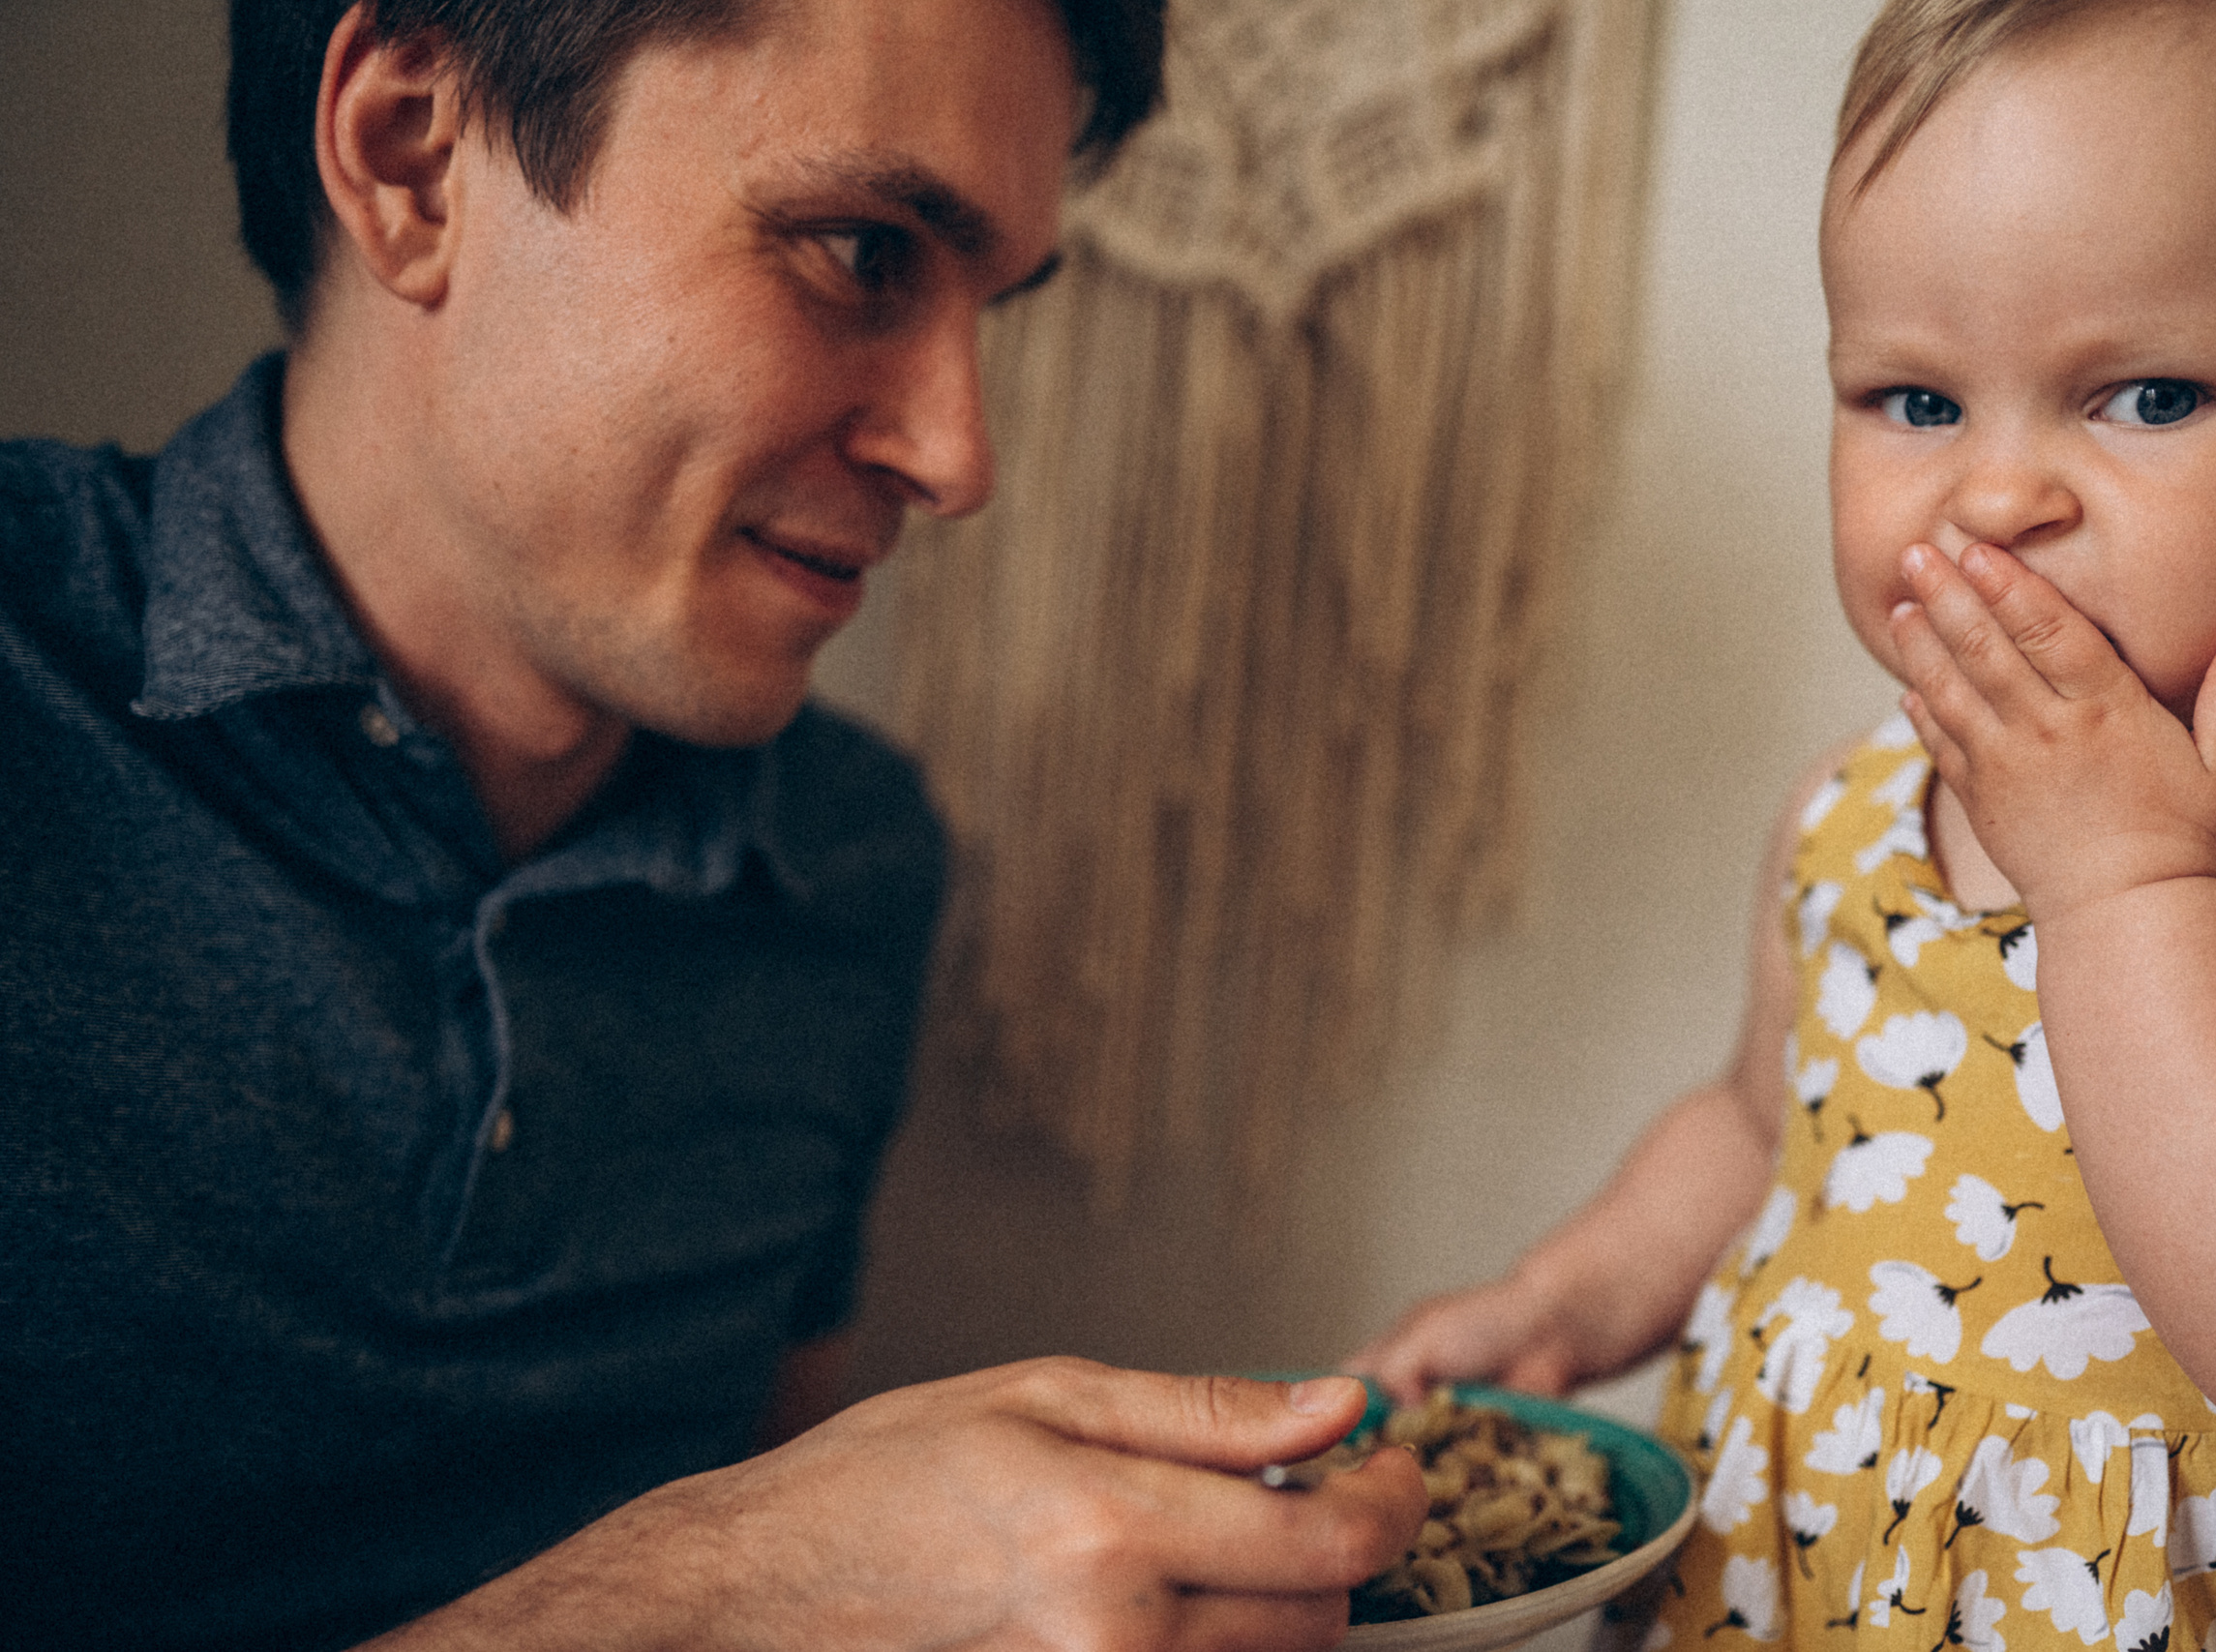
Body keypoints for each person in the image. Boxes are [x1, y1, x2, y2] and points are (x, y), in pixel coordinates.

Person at [0, 0, 1424, 1647]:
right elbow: (756, 1572)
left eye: (992, 309)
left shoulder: (853, 865)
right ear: (413, 160)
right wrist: (717, 1586)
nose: (963, 458)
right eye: (862, 251)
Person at [1351, 0, 2216, 1643]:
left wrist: (2123, 877)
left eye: (2147, 396)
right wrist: (1562, 1301)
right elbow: (1759, 1128)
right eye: (1917, 401)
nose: (1995, 493)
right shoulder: (1852, 810)